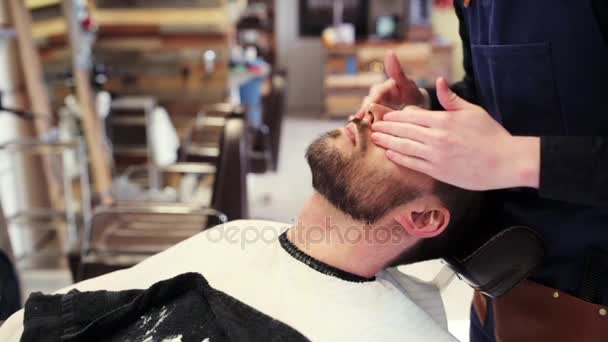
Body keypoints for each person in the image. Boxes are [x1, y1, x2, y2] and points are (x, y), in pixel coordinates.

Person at [0, 110, 481, 342]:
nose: (374, 116)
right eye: (396, 115)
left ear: (422, 217)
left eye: (414, 138)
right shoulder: (233, 236)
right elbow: (29, 326)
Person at [357, 1, 608, 341]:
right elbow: (489, 95)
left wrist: (520, 159)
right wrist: (427, 107)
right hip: (500, 284)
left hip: (588, 292)